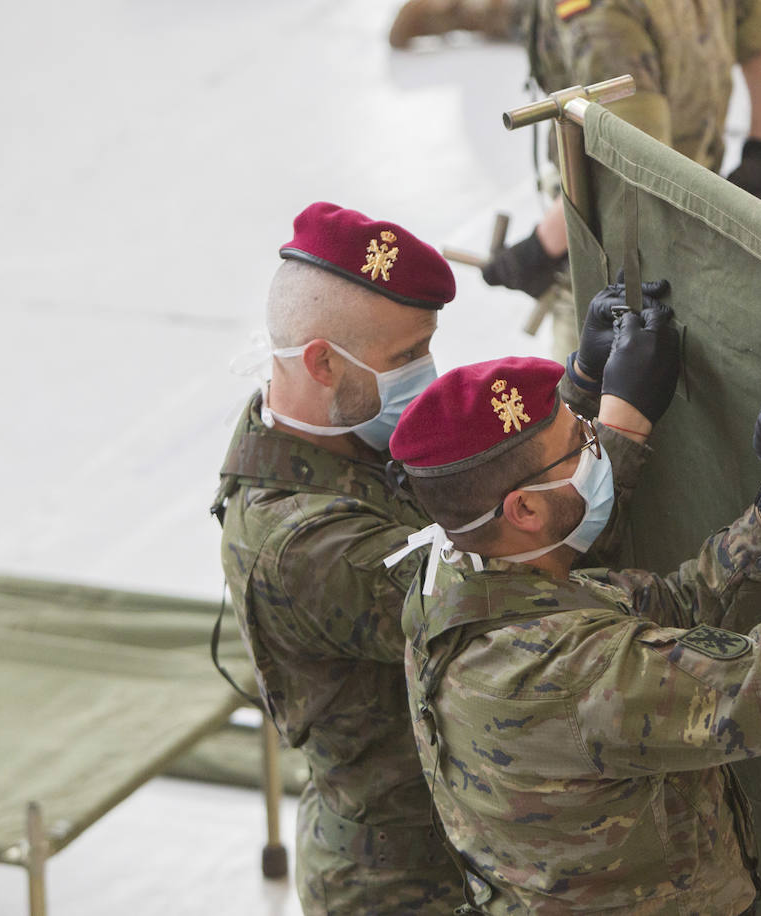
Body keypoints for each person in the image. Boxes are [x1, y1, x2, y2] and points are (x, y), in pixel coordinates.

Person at [211, 201, 680, 914]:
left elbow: (476, 488)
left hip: (465, 836)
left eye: (425, 348)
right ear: (320, 362)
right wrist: (619, 424)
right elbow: (515, 577)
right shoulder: (302, 545)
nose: (425, 376)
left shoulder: (332, 428)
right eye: (404, 360)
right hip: (405, 880)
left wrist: (579, 384)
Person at [385, 354, 761, 913]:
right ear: (524, 509)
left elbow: (664, 612)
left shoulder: (453, 585)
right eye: (580, 443)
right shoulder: (571, 671)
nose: (597, 445)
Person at [410, 0, 761, 353]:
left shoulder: (598, 15)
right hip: (689, 192)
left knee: (585, 388)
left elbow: (628, 162)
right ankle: (461, 11)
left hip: (621, 236)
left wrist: (541, 249)